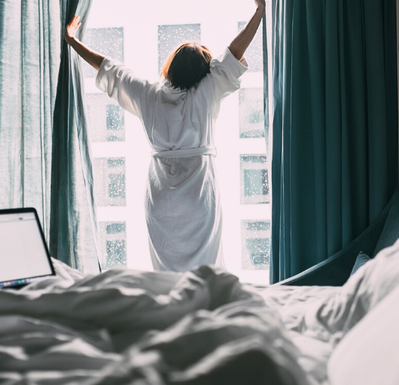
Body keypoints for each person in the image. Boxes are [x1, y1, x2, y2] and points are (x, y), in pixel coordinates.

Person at [64, 1, 265, 272]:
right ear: (204, 71)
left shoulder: (148, 94)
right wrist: (259, 12)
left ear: (169, 67)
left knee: (166, 271)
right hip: (199, 196)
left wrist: (72, 40)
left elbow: (107, 67)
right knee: (206, 268)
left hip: (160, 199)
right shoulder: (206, 91)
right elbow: (233, 53)